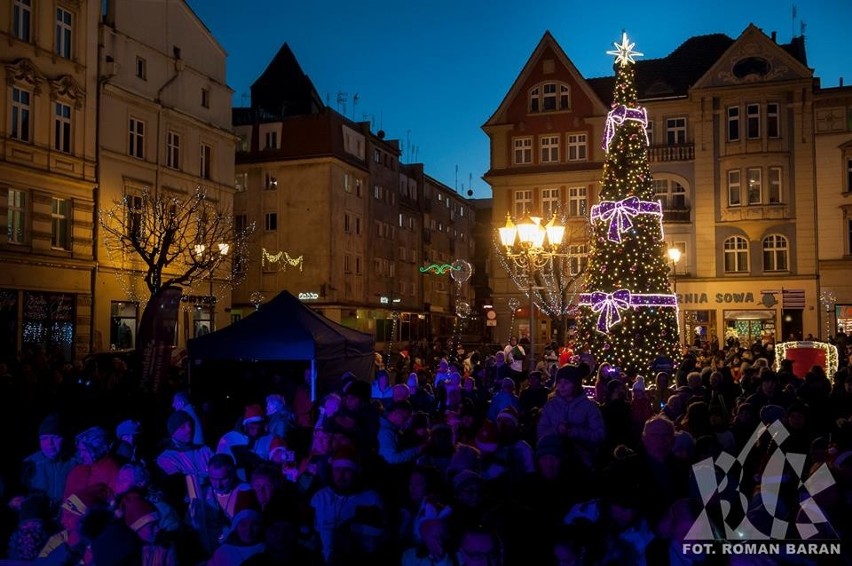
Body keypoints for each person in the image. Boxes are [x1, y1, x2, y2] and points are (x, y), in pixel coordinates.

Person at [537, 364, 605, 470]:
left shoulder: (589, 407)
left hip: (580, 461)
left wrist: (573, 431)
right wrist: (557, 430)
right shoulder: (550, 405)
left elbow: (599, 434)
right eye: (559, 382)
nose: (562, 386)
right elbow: (541, 430)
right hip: (554, 458)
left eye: (566, 382)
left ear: (576, 384)